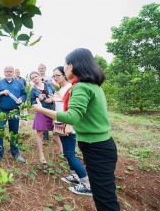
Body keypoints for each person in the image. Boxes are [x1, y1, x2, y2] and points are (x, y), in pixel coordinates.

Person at [33, 48, 120, 210]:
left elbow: (72, 117)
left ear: (72, 66)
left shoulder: (80, 87)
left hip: (97, 148)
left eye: (65, 66)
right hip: (102, 145)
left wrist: (41, 109)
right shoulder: (94, 86)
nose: (64, 70)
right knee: (105, 194)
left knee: (105, 201)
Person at [51, 66, 91, 196]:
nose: (55, 78)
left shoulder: (70, 88)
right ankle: (74, 176)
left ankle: (86, 183)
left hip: (68, 125)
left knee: (69, 153)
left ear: (64, 75)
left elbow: (70, 109)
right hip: (61, 123)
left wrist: (69, 125)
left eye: (57, 75)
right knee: (67, 153)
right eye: (54, 76)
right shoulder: (62, 89)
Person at [0, 66, 27, 164]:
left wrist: (21, 99)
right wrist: (1, 92)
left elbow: (24, 94)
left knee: (14, 132)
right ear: (4, 72)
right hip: (2, 111)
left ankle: (15, 153)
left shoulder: (19, 84)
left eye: (10, 71)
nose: (9, 73)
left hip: (15, 111)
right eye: (7, 71)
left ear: (13, 73)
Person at [29, 71, 58, 166]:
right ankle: (41, 155)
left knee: (56, 132)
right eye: (32, 78)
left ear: (39, 76)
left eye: (36, 76)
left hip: (51, 110)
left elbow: (55, 95)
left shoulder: (48, 85)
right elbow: (32, 103)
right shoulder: (33, 90)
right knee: (40, 133)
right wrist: (39, 100)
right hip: (41, 111)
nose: (35, 79)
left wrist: (52, 99)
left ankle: (62, 152)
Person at [38, 63, 59, 141]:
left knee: (53, 118)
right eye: (40, 68)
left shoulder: (49, 78)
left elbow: (57, 86)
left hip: (51, 100)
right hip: (42, 101)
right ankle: (45, 138)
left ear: (45, 69)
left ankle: (56, 135)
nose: (41, 69)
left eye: (42, 68)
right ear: (38, 70)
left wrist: (49, 81)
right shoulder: (36, 78)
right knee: (44, 119)